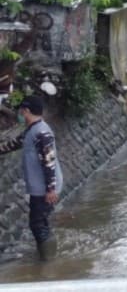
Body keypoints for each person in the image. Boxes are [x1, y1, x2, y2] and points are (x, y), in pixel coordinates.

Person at [0, 95, 63, 261]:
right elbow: (13, 144)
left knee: (37, 223)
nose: (19, 114)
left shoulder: (42, 133)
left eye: (21, 111)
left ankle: (48, 261)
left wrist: (50, 189)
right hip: (40, 186)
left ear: (26, 111)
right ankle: (48, 255)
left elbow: (49, 162)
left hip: (44, 187)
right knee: (40, 222)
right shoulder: (31, 130)